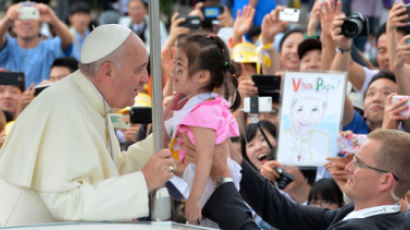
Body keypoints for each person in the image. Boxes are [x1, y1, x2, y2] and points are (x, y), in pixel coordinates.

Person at [0, 24, 175, 226]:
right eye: (139, 69)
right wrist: (143, 181)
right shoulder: (64, 107)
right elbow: (68, 204)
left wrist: (161, 136)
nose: (146, 78)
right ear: (107, 72)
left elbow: (112, 172)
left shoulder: (90, 99)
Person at [203, 129, 410, 230]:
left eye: (359, 163)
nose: (347, 168)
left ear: (386, 181)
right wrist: (237, 161)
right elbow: (287, 213)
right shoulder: (357, 213)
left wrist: (224, 182)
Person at [164, 33, 240, 225]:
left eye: (179, 67)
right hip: (205, 180)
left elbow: (206, 157)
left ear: (202, 76)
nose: (172, 71)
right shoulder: (202, 104)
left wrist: (195, 199)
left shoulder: (202, 112)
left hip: (211, 185)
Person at [0, 2, 73, 88]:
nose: (26, 22)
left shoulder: (51, 47)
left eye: (31, 17)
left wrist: (53, 18)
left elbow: (69, 40)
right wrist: (7, 18)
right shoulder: (7, 46)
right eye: (21, 17)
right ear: (13, 27)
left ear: (40, 26)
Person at [278, 90, 330, 165]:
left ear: (323, 113)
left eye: (314, 110)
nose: (306, 117)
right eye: (300, 109)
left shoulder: (325, 138)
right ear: (291, 111)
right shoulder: (281, 138)